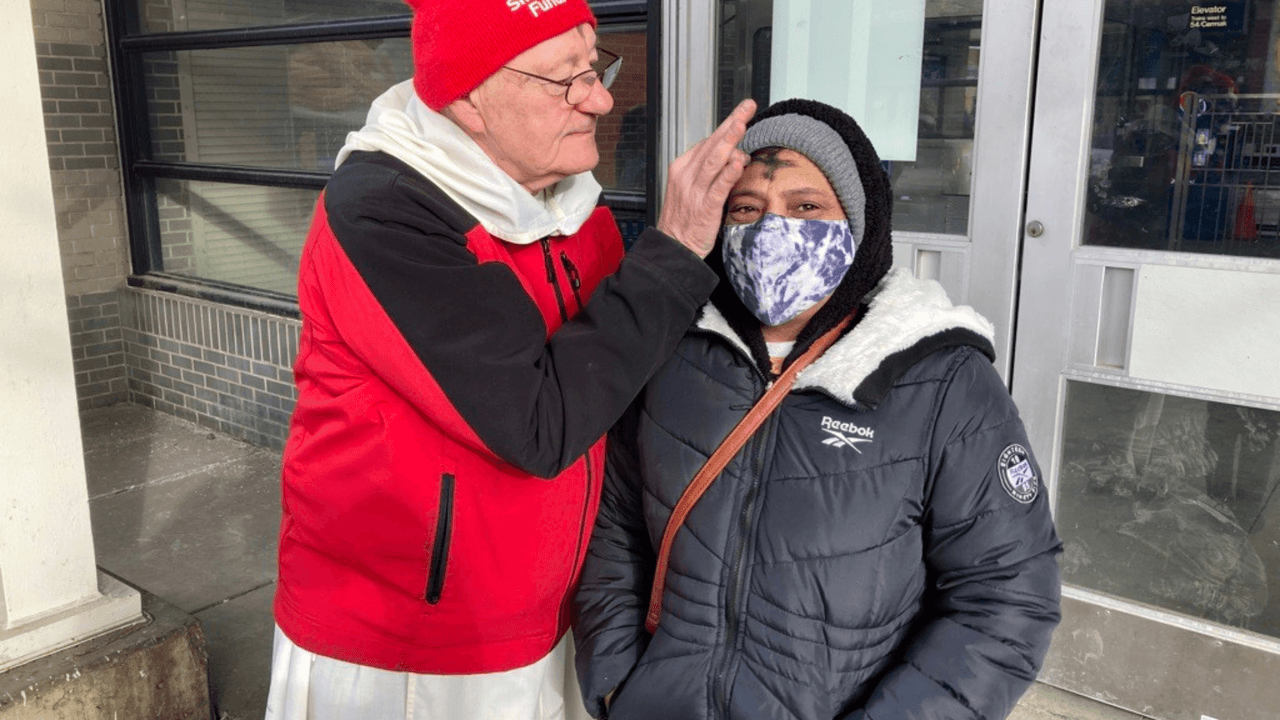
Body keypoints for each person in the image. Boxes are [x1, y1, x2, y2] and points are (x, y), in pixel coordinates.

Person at [266, 0, 756, 717]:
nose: (600, 98)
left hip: (550, 612)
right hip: (409, 648)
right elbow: (541, 423)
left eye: (595, 66)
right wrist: (675, 250)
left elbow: (621, 379)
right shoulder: (384, 214)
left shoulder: (569, 203)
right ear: (468, 98)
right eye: (565, 80)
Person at [572, 99, 1063, 720]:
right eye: (746, 209)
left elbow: (1005, 598)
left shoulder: (941, 379)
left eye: (807, 207)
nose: (773, 230)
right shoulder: (673, 349)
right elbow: (613, 527)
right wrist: (617, 679)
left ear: (859, 224)